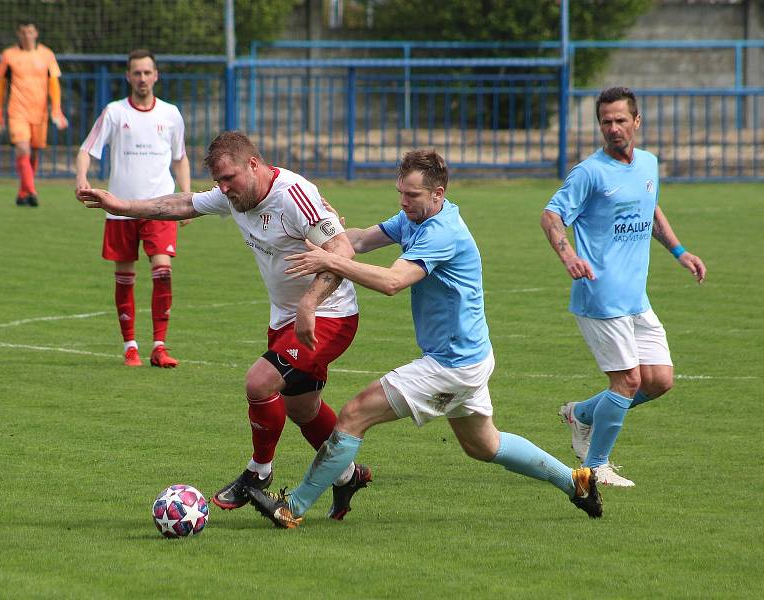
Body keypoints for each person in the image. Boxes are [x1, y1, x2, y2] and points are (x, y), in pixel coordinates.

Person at [244, 149, 603, 529]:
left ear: (438, 193)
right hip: (470, 357)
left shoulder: (440, 231)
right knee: (485, 445)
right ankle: (576, 482)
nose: (404, 201)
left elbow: (392, 282)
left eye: (412, 195)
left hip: (450, 365)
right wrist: (326, 233)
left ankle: (292, 508)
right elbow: (362, 239)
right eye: (401, 193)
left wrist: (332, 261)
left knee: (353, 414)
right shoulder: (414, 217)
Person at [77, 130, 370, 519]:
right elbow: (183, 203)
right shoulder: (236, 195)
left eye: (229, 178)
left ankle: (258, 473)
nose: (224, 189)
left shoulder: (294, 195)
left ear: (253, 164)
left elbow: (341, 250)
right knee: (303, 409)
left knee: (259, 382)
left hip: (329, 316)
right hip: (286, 317)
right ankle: (347, 475)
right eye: (218, 182)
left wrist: (310, 303)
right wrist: (121, 205)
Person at [540, 86, 707, 487]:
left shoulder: (648, 164)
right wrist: (569, 256)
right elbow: (550, 216)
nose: (613, 128)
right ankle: (595, 466)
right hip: (600, 296)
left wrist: (680, 251)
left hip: (636, 298)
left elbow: (648, 209)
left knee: (659, 381)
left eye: (619, 120)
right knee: (628, 381)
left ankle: (580, 414)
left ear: (636, 121)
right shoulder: (589, 172)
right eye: (605, 122)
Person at [75, 49, 190, 369]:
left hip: (161, 206)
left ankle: (160, 346)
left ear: (156, 76)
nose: (142, 78)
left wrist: (186, 197)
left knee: (163, 271)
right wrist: (82, 177)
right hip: (120, 209)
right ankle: (130, 347)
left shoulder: (170, 114)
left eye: (147, 72)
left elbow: (180, 157)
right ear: (128, 77)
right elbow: (86, 149)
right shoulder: (114, 113)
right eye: (136, 73)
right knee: (125, 276)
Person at [0, 20, 68, 207]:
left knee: (33, 153)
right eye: (23, 32)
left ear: (36, 33)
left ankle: (22, 192)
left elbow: (54, 85)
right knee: (23, 149)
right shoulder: (9, 55)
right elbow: (2, 86)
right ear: (18, 34)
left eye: (30, 32)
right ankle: (32, 191)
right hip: (17, 111)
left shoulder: (47, 54)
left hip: (40, 112)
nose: (27, 35)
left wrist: (56, 109)